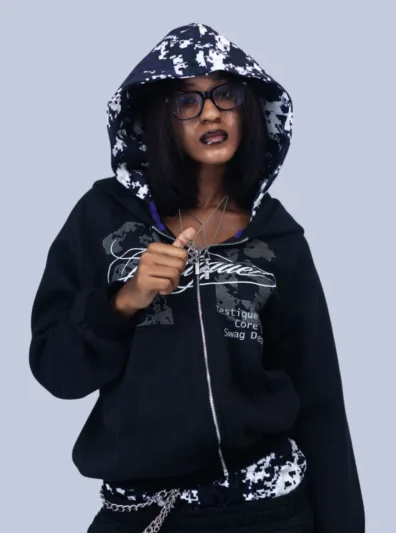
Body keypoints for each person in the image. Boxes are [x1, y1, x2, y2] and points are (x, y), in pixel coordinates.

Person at [29, 22, 365, 533]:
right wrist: (123, 301)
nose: (210, 112)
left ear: (249, 108)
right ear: (157, 118)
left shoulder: (279, 238)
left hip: (267, 516)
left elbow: (320, 402)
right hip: (141, 516)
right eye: (186, 101)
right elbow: (56, 371)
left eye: (224, 95)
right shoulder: (100, 218)